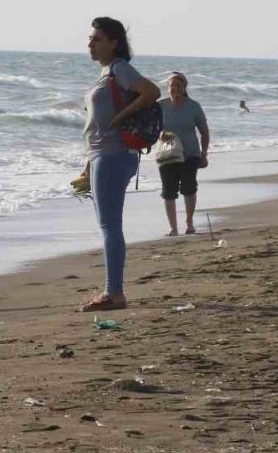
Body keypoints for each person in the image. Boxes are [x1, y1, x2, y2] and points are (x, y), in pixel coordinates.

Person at [76, 17, 159, 312]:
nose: (90, 43)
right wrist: (88, 164)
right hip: (101, 156)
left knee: (110, 226)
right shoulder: (106, 72)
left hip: (114, 154)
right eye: (90, 38)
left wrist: (122, 116)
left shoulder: (119, 68)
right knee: (108, 224)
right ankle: (113, 291)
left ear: (114, 42)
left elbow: (152, 92)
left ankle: (114, 293)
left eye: (97, 38)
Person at [157, 72, 210, 236]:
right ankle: (173, 228)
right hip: (168, 154)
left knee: (189, 188)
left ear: (185, 88)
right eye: (172, 85)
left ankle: (190, 223)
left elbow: (204, 132)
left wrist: (204, 153)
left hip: (190, 154)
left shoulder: (193, 106)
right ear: (168, 88)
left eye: (179, 86)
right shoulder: (160, 105)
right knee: (168, 191)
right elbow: (152, 128)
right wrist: (159, 135)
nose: (176, 89)